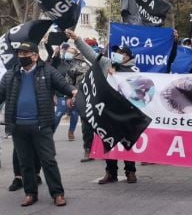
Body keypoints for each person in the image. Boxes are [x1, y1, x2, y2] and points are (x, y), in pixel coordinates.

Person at [0, 41, 77, 207]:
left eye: (25, 54)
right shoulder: (10, 74)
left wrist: (73, 91)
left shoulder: (48, 71)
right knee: (25, 162)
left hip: (41, 125)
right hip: (18, 126)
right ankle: (30, 193)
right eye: (19, 54)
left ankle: (57, 193)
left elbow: (63, 85)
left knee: (48, 160)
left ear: (35, 56)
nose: (21, 57)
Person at [68, 29, 140, 184]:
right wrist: (77, 40)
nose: (117, 55)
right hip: (107, 110)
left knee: (126, 142)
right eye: (116, 52)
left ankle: (130, 171)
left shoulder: (134, 70)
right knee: (109, 142)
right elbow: (91, 55)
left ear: (128, 57)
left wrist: (120, 72)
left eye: (121, 53)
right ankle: (111, 172)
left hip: (126, 112)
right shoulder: (107, 63)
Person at [51, 46, 89, 140]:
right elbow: (53, 62)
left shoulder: (78, 65)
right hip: (61, 93)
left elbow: (80, 79)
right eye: (68, 51)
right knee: (59, 113)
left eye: (71, 52)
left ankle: (71, 132)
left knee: (74, 113)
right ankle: (50, 133)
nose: (69, 53)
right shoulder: (60, 62)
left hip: (75, 93)